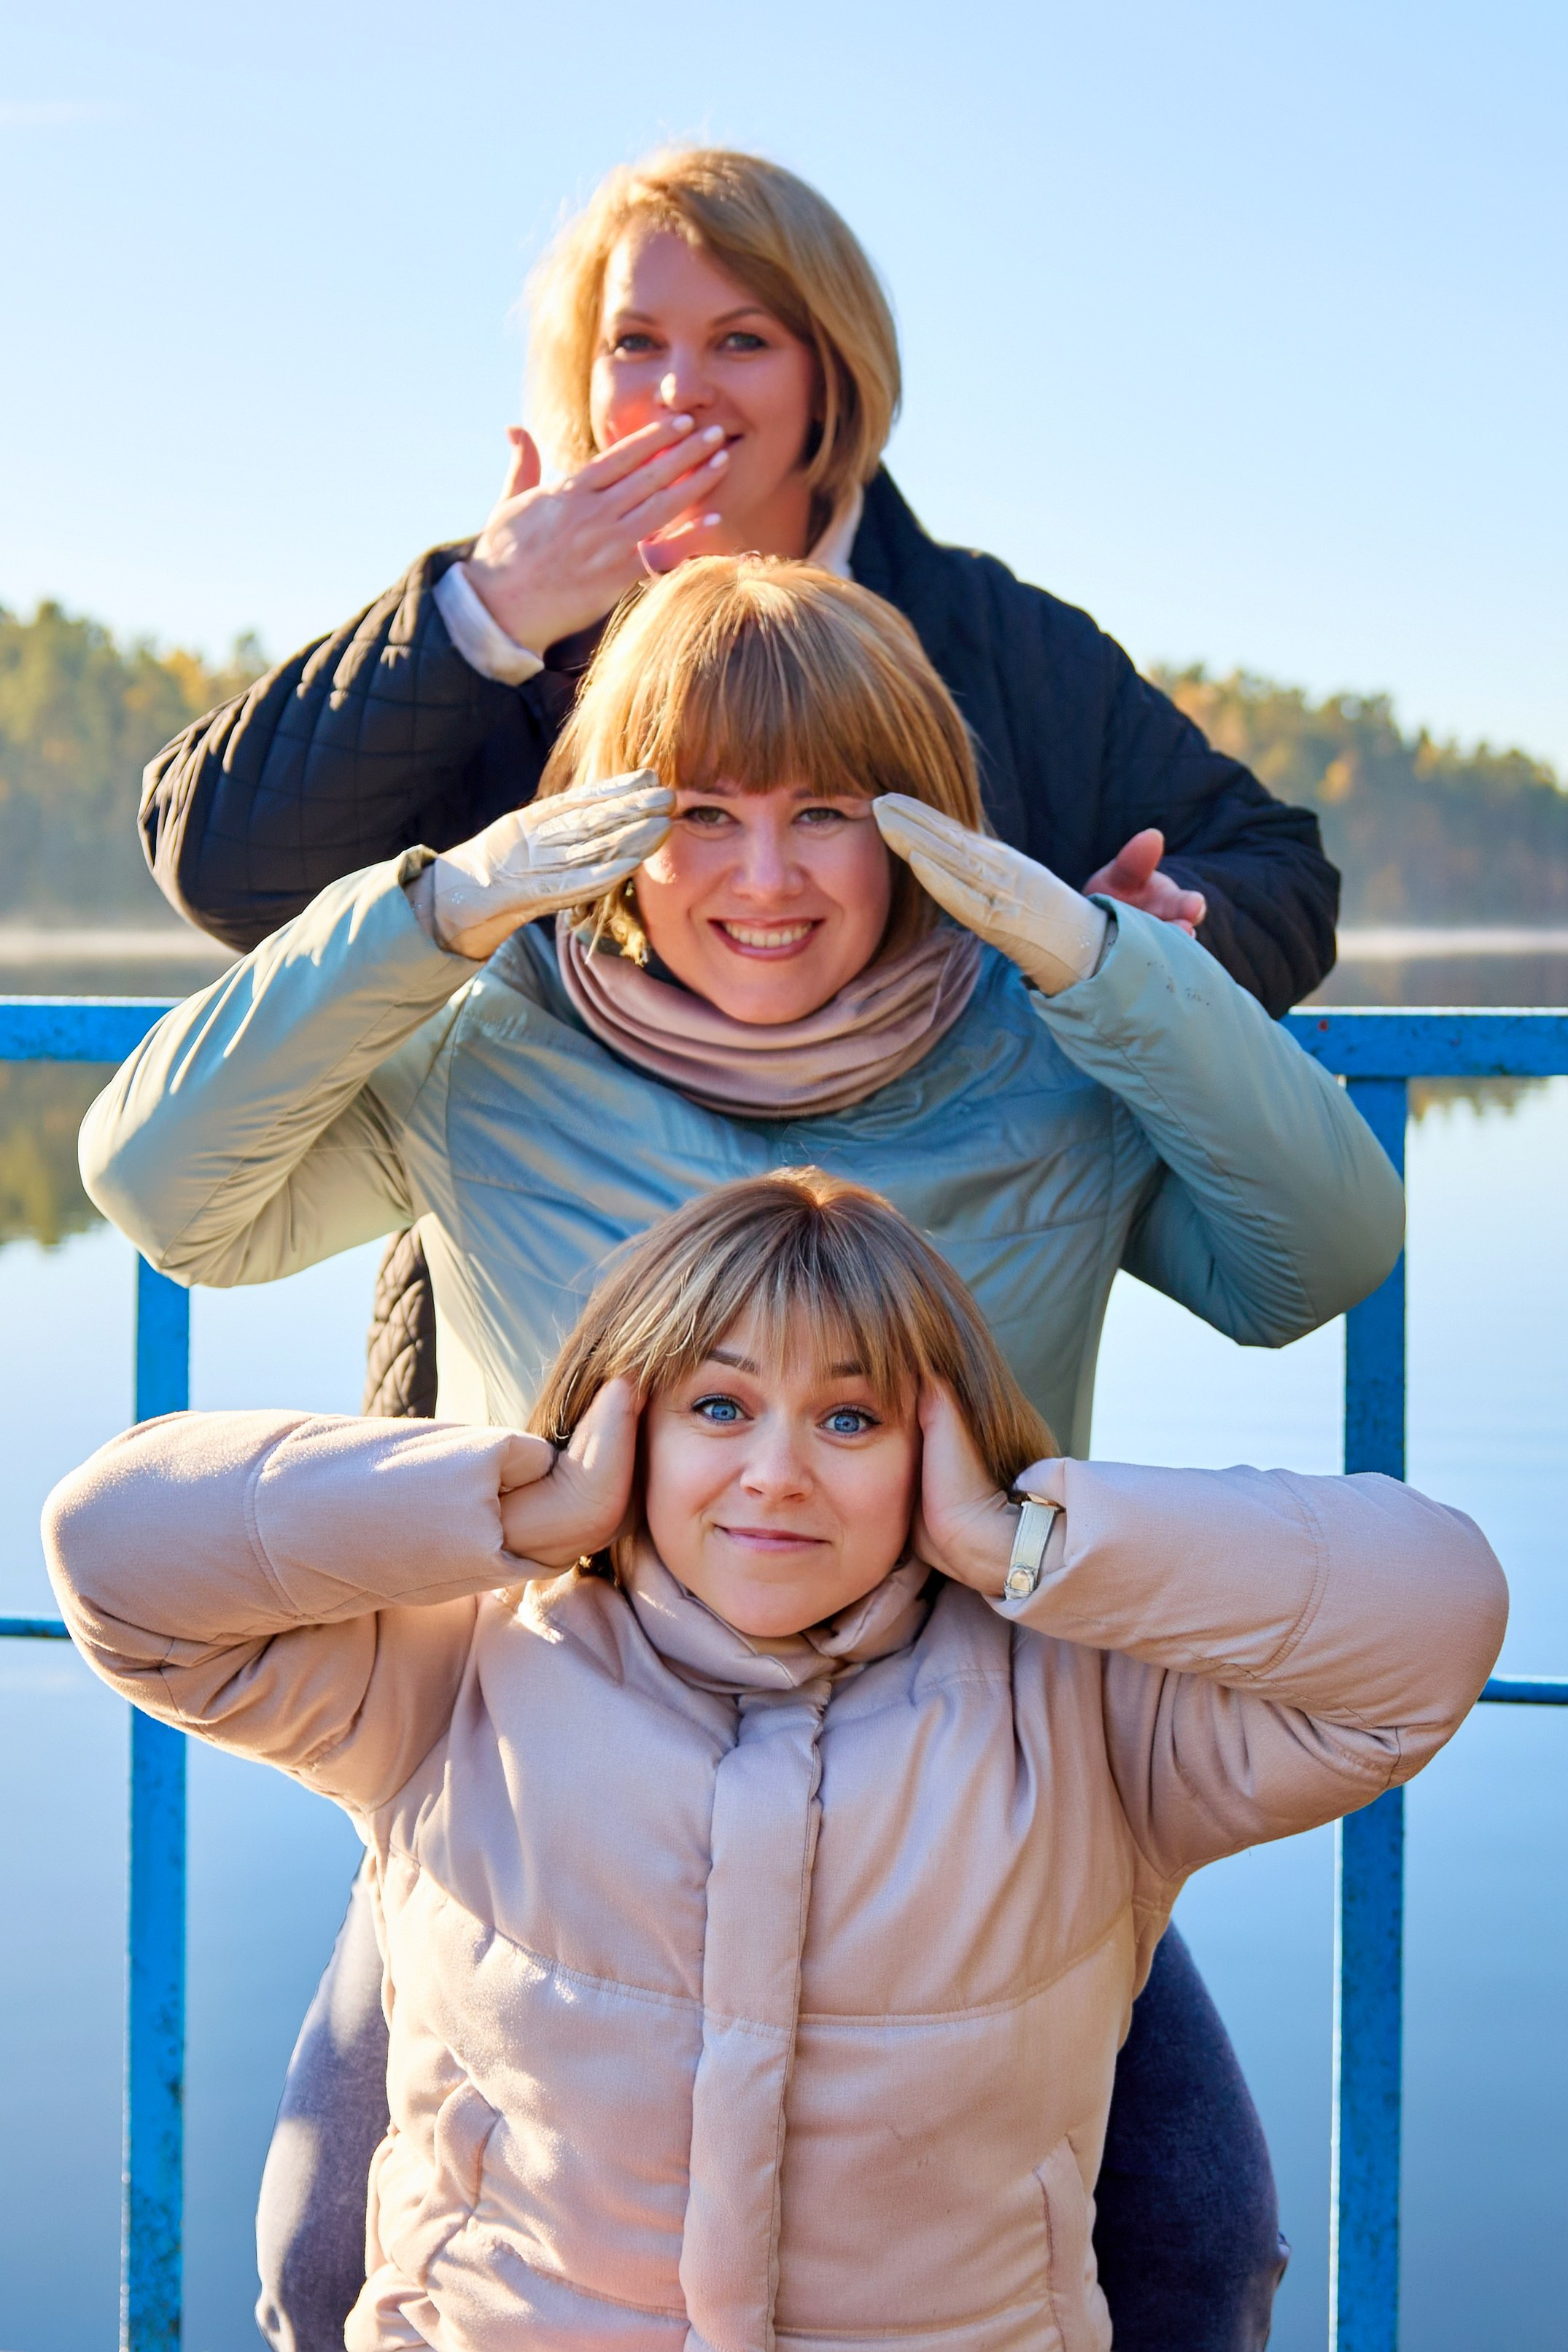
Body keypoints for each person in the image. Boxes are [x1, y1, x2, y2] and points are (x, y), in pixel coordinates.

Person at [85, 556, 1397, 2352]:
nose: (763, 878)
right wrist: (438, 909)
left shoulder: (1053, 1056)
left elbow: (1313, 1262)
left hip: (985, 1797)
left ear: (923, 830)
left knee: (1196, 2244)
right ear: (612, 825)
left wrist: (1107, 971)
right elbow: (164, 1190)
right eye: (697, 812)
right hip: (554, 1788)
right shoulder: (490, 1050)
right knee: (331, 2250)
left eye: (831, 816)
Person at [45, 1170, 1506, 2352]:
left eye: (852, 1416)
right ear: (632, 1420)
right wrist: (520, 1499)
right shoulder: (460, 1665)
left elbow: (1430, 1621)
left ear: (941, 1443)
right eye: (719, 1405)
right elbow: (115, 1550)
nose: (775, 1472)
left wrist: (1023, 1541)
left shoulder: (1087, 1716)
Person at [140, 144, 1338, 1426]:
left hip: (908, 1382)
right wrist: (480, 618)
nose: (677, 391)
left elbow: (1275, 874)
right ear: (582, 384)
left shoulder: (990, 634)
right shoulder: (496, 620)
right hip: (539, 1377)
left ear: (833, 370)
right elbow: (222, 869)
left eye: (742, 341)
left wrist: (1143, 948)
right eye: (635, 344)